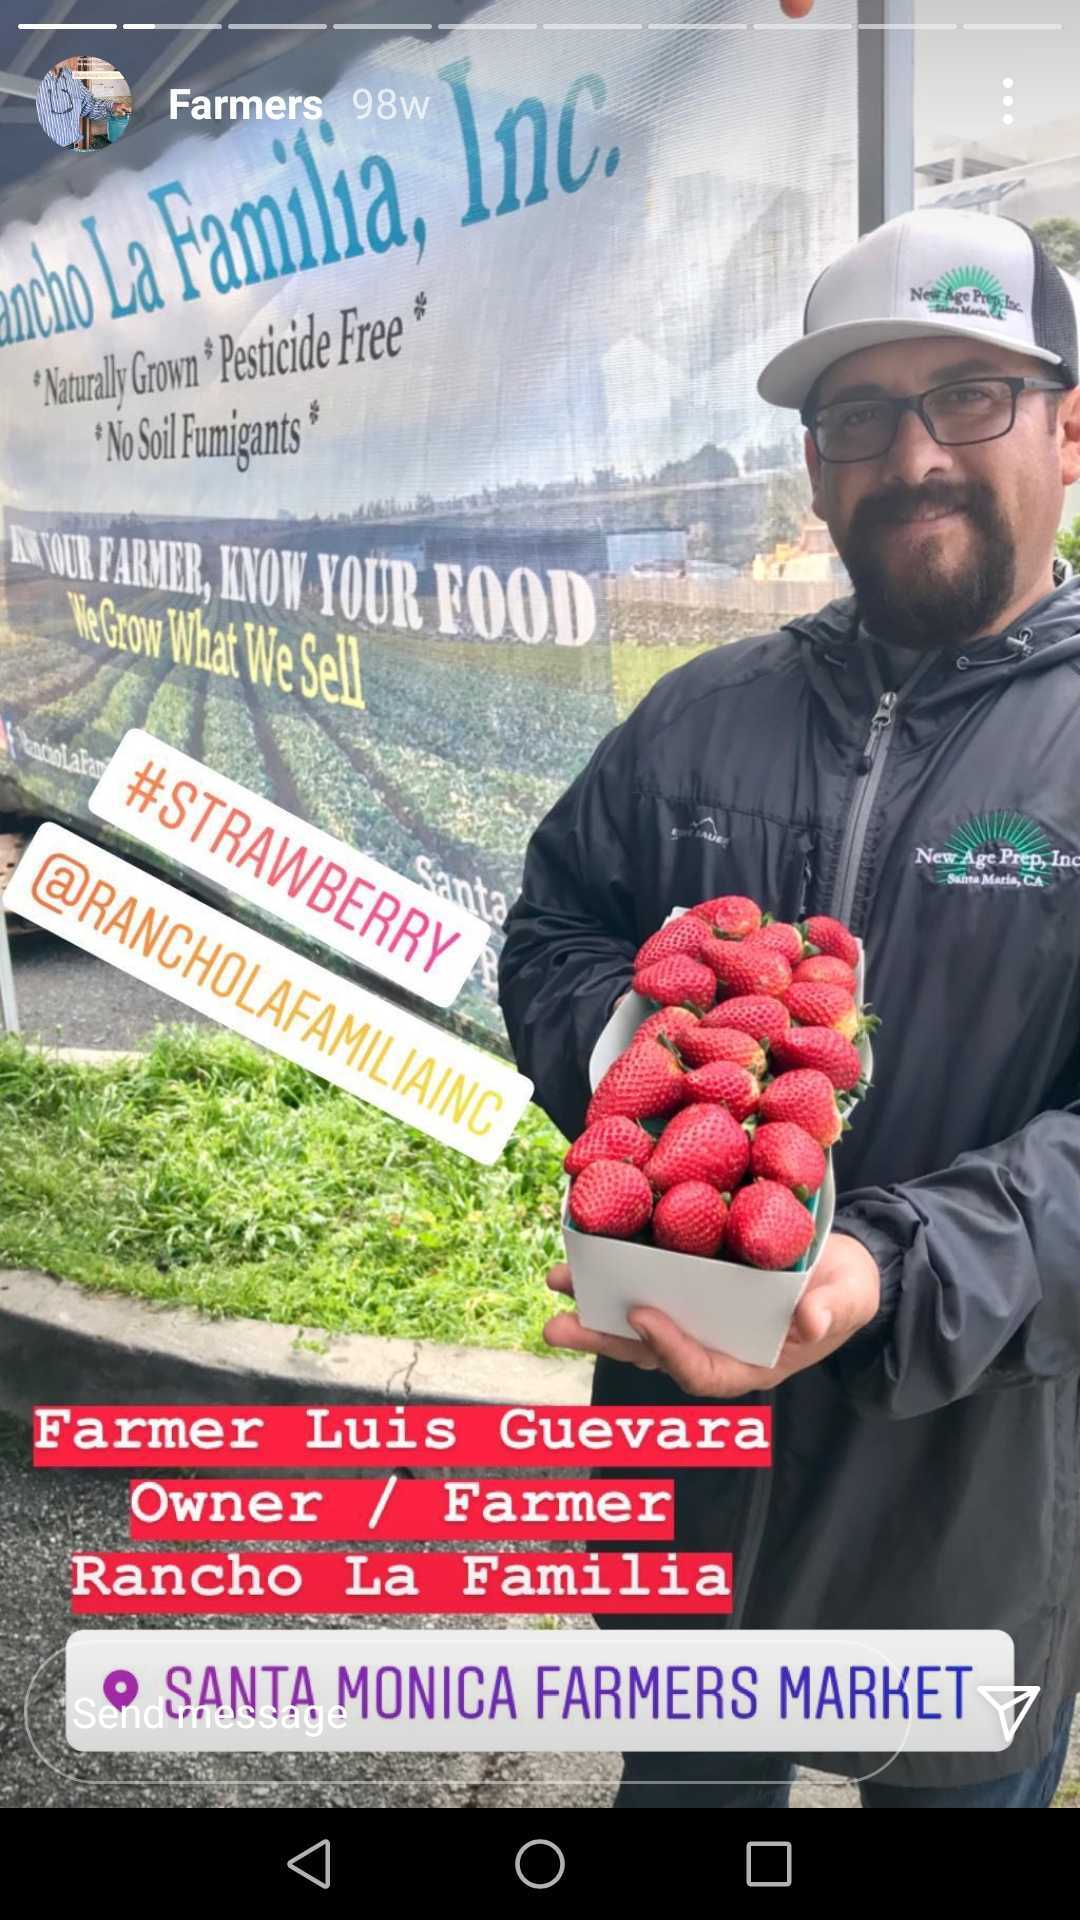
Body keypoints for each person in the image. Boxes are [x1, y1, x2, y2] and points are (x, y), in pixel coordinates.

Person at [497, 206, 1080, 1808]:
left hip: (962, 1493)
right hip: (693, 1488)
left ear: (1070, 427)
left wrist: (888, 1260)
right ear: (817, 467)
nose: (914, 457)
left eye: (969, 395)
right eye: (858, 417)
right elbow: (554, 925)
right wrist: (647, 1072)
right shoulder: (699, 717)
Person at [35, 62, 118, 152]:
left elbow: (89, 106)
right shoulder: (39, 81)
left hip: (76, 143)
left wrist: (113, 107)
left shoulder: (69, 75)